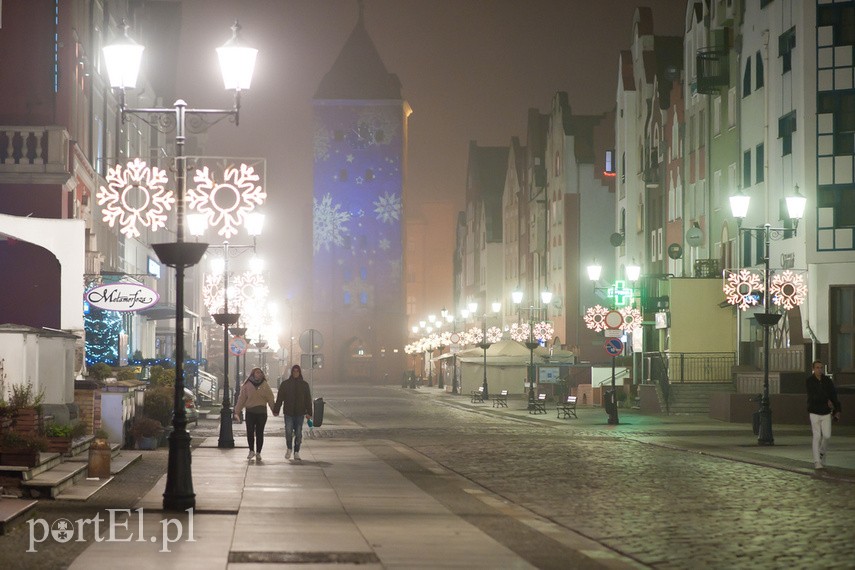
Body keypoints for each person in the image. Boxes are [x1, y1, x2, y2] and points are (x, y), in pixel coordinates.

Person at [233, 367, 276, 462]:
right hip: (250, 412)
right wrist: (237, 411)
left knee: (260, 433)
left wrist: (274, 410)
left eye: (260, 373)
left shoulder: (265, 385)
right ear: (253, 374)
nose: (259, 374)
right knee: (250, 432)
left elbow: (270, 398)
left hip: (261, 413)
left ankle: (258, 452)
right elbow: (242, 399)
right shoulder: (247, 385)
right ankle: (251, 450)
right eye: (257, 372)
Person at [806, 360, 842, 469]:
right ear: (813, 369)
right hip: (814, 411)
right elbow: (813, 395)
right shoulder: (809, 381)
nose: (819, 370)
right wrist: (826, 399)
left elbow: (833, 395)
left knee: (827, 435)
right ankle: (817, 461)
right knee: (816, 436)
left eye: (821, 367)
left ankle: (821, 452)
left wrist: (837, 410)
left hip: (826, 412)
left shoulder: (827, 381)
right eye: (817, 367)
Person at [274, 364, 312, 460]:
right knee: (288, 431)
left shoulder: (304, 385)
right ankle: (289, 448)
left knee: (298, 433)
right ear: (291, 372)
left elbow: (308, 399)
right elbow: (280, 398)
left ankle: (296, 451)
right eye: (294, 371)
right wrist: (276, 410)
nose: (295, 373)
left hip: (300, 413)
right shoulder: (285, 384)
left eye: (297, 371)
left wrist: (309, 413)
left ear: (299, 372)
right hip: (289, 413)